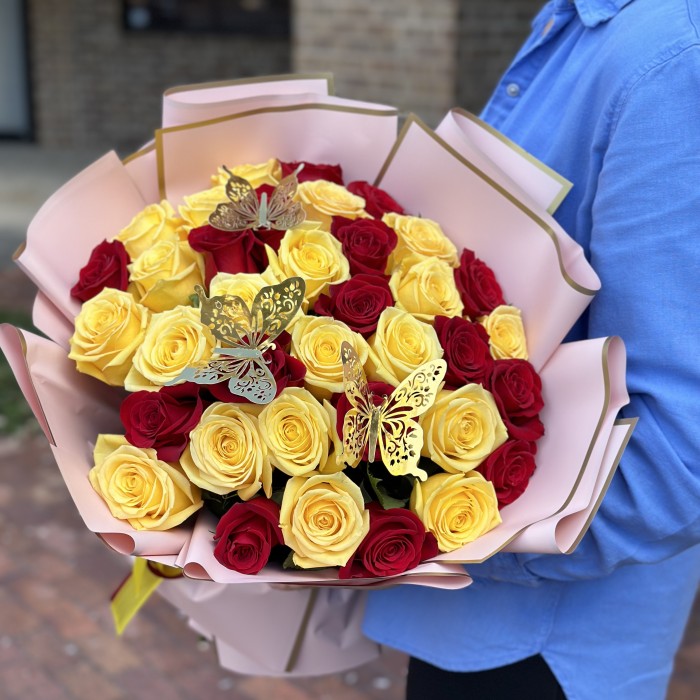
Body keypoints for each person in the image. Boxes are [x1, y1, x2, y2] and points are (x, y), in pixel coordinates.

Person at [362, 1, 700, 698]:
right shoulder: (576, 25)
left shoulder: (670, 57)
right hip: (482, 621)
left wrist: (394, 514)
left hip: (548, 650)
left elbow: (678, 452)